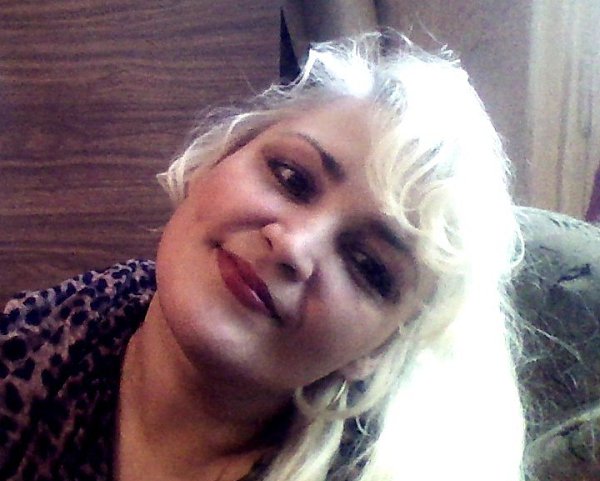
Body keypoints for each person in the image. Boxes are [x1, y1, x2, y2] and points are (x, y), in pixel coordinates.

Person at [0, 32, 525, 481]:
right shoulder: (26, 346)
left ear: (379, 349)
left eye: (367, 266)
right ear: (213, 162)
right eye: (291, 178)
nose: (295, 246)